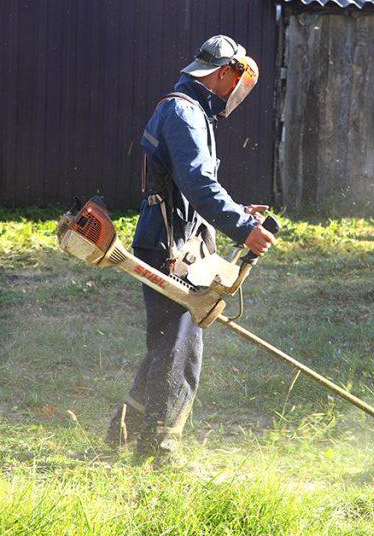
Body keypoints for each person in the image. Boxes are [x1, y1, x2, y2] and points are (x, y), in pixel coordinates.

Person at [106, 34, 277, 463]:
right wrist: (243, 228)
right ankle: (161, 448)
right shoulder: (183, 113)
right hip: (170, 244)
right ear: (223, 74)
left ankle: (124, 433)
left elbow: (188, 186)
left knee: (168, 340)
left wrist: (237, 208)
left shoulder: (188, 109)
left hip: (173, 238)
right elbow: (200, 185)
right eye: (236, 79)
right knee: (180, 346)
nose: (238, 90)